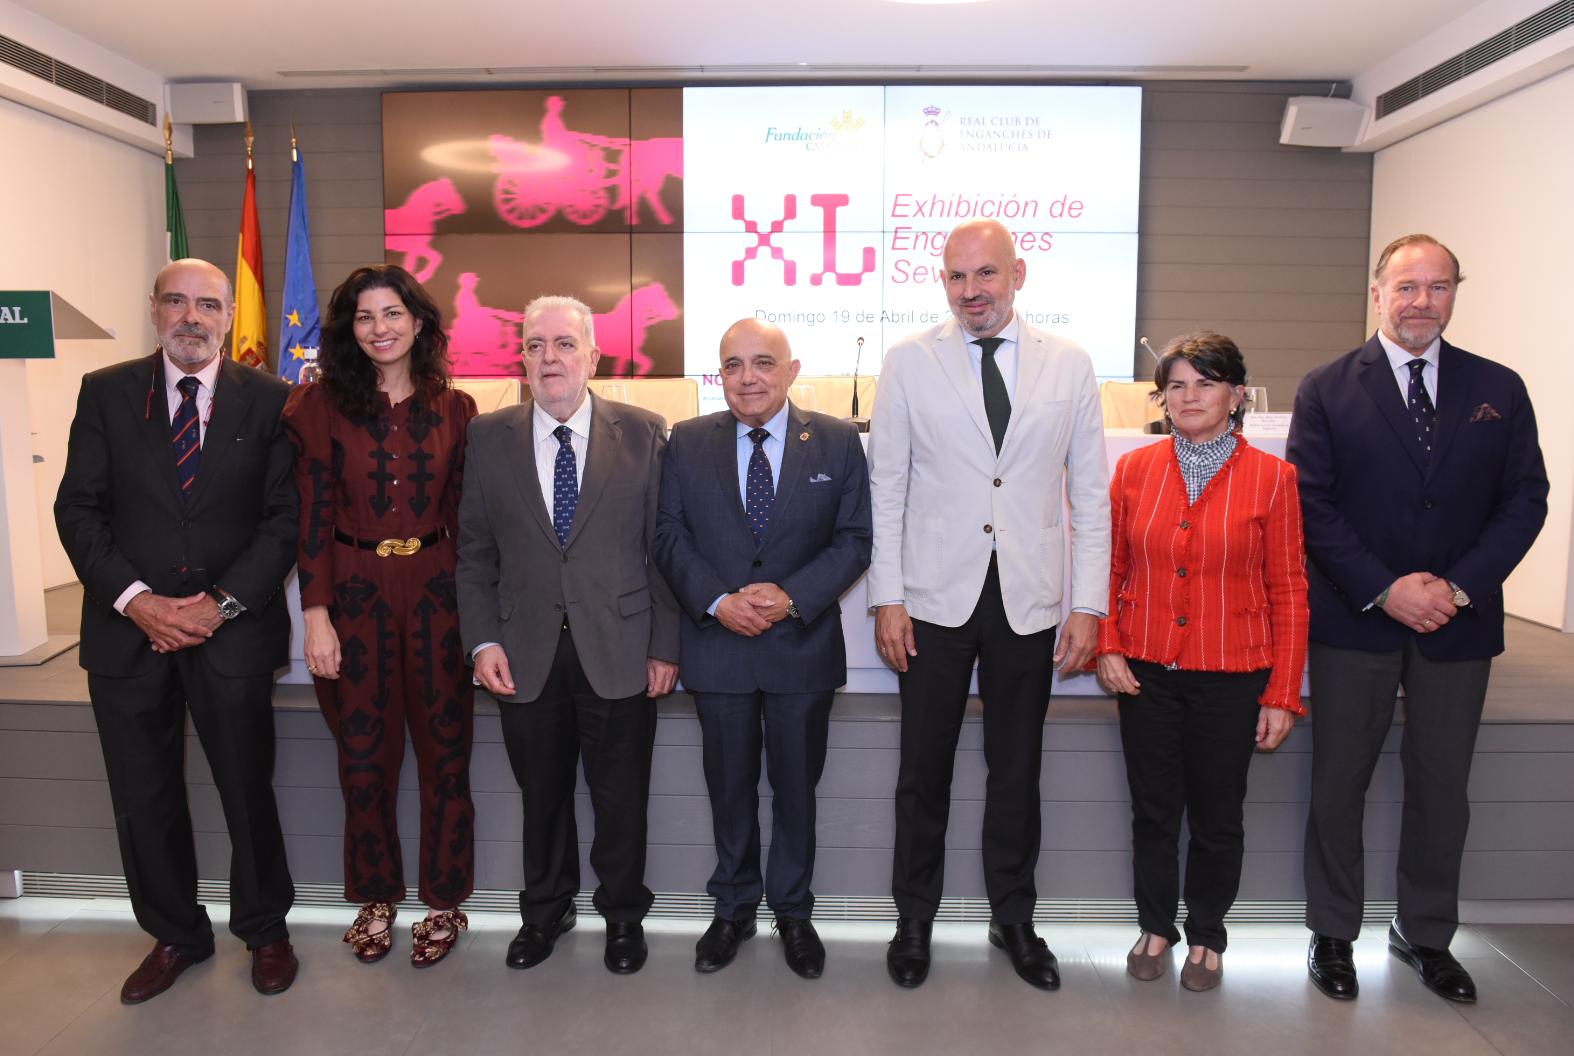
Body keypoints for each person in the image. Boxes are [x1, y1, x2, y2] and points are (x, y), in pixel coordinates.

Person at [1288, 234, 1547, 1004]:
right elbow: (1313, 506)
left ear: (1455, 294)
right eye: (1406, 287)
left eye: (1438, 287)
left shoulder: (1497, 385)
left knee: (1442, 786)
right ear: (1377, 293)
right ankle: (1332, 933)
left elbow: (1524, 500)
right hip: (1357, 618)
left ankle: (1424, 934)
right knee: (1339, 781)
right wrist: (1384, 587)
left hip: (1458, 626)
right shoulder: (1328, 388)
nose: (1421, 302)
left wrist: (1458, 588)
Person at [868, 218, 1110, 990]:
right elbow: (888, 488)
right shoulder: (908, 362)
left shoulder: (1069, 364)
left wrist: (1089, 605)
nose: (972, 291)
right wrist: (887, 596)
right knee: (922, 770)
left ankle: (1015, 919)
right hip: (933, 599)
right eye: (956, 277)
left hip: (1031, 602)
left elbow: (1091, 494)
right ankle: (914, 919)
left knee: (1017, 768)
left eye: (986, 275)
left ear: (1018, 274)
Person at [53, 258, 298, 1003]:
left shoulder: (275, 401)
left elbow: (284, 520)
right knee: (144, 793)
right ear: (155, 309)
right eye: (177, 302)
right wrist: (137, 601)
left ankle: (265, 930)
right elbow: (78, 509)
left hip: (233, 633)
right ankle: (174, 934)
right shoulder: (105, 393)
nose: (192, 317)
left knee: (246, 788)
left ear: (228, 316)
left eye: (208, 305)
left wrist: (214, 607)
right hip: (129, 634)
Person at [457, 294, 679, 975]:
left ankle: (621, 918)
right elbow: (473, 554)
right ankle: (545, 913)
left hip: (620, 648)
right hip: (523, 653)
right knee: (542, 796)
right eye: (534, 346)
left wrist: (665, 644)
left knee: (621, 800)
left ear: (592, 355)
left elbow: (662, 549)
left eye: (562, 345)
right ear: (520, 357)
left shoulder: (644, 433)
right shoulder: (488, 438)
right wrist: (482, 640)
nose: (548, 358)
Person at [653, 319, 871, 978]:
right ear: (718, 374)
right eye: (734, 365)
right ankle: (735, 909)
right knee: (729, 788)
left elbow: (855, 538)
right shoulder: (687, 441)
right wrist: (720, 601)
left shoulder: (834, 441)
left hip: (800, 646)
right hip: (717, 645)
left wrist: (790, 596)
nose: (749, 377)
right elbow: (667, 534)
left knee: (796, 788)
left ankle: (794, 913)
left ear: (792, 369)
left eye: (763, 363)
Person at [1093, 331, 1308, 992]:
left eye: (1205, 383)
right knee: (1154, 811)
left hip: (1233, 672)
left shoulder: (1274, 478)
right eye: (1177, 385)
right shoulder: (1134, 469)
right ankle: (1156, 926)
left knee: (1217, 816)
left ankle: (1208, 935)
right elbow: (1110, 565)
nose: (1189, 397)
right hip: (1147, 672)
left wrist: (1282, 692)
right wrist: (1108, 644)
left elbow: (1289, 588)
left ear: (1236, 394)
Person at [281, 264, 478, 969]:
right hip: (354, 591)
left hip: (437, 594)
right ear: (348, 331)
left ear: (419, 322)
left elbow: (468, 525)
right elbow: (311, 518)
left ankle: (447, 900)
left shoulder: (457, 410)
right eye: (364, 318)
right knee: (363, 759)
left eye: (392, 313)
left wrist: (479, 621)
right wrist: (316, 614)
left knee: (445, 758)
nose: (380, 328)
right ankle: (374, 897)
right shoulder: (315, 407)